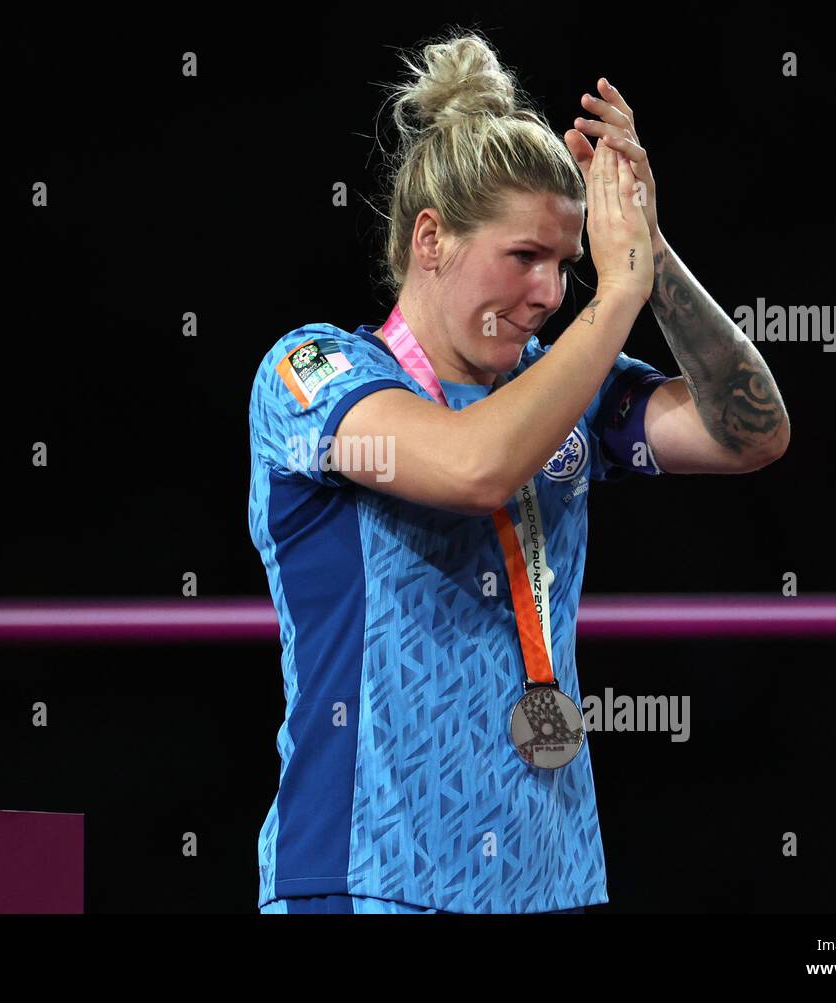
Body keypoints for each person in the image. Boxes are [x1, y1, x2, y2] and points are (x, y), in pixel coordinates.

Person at [247, 30, 789, 915]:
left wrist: (651, 263)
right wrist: (614, 299)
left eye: (568, 265)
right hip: (366, 878)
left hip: (554, 878)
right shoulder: (312, 374)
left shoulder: (566, 386)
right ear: (432, 240)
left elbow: (749, 432)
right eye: (524, 257)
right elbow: (475, 467)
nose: (548, 292)